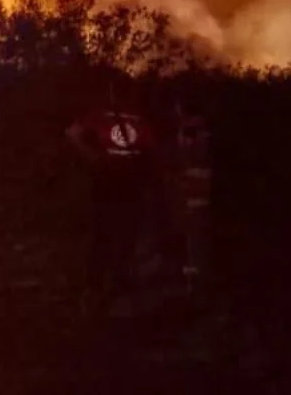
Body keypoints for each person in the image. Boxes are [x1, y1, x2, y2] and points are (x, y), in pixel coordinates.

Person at [66, 70, 164, 312]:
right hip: (130, 184)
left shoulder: (99, 115)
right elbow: (152, 152)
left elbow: (71, 133)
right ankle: (119, 283)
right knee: (126, 233)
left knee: (103, 234)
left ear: (111, 92)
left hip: (106, 181)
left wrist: (91, 156)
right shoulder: (140, 119)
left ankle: (96, 287)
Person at [171, 85, 212, 296]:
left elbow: (185, 157)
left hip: (191, 192)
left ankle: (194, 285)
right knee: (195, 238)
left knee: (193, 240)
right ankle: (194, 280)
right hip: (198, 192)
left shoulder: (190, 128)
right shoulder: (203, 128)